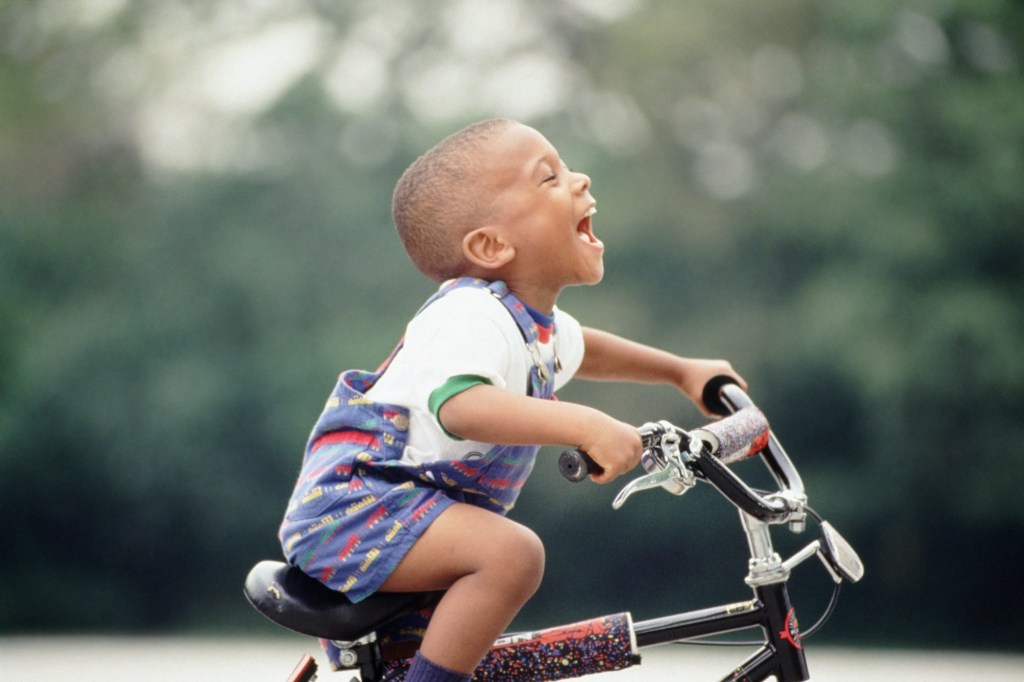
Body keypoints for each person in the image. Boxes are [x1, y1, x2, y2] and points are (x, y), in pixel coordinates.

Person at [279, 118, 746, 681]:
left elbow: (586, 350)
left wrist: (681, 372)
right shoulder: (470, 314)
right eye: (549, 177)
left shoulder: (530, 327)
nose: (579, 179)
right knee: (511, 556)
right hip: (353, 507)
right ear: (492, 245)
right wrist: (585, 424)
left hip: (403, 513)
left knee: (458, 650)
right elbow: (461, 405)